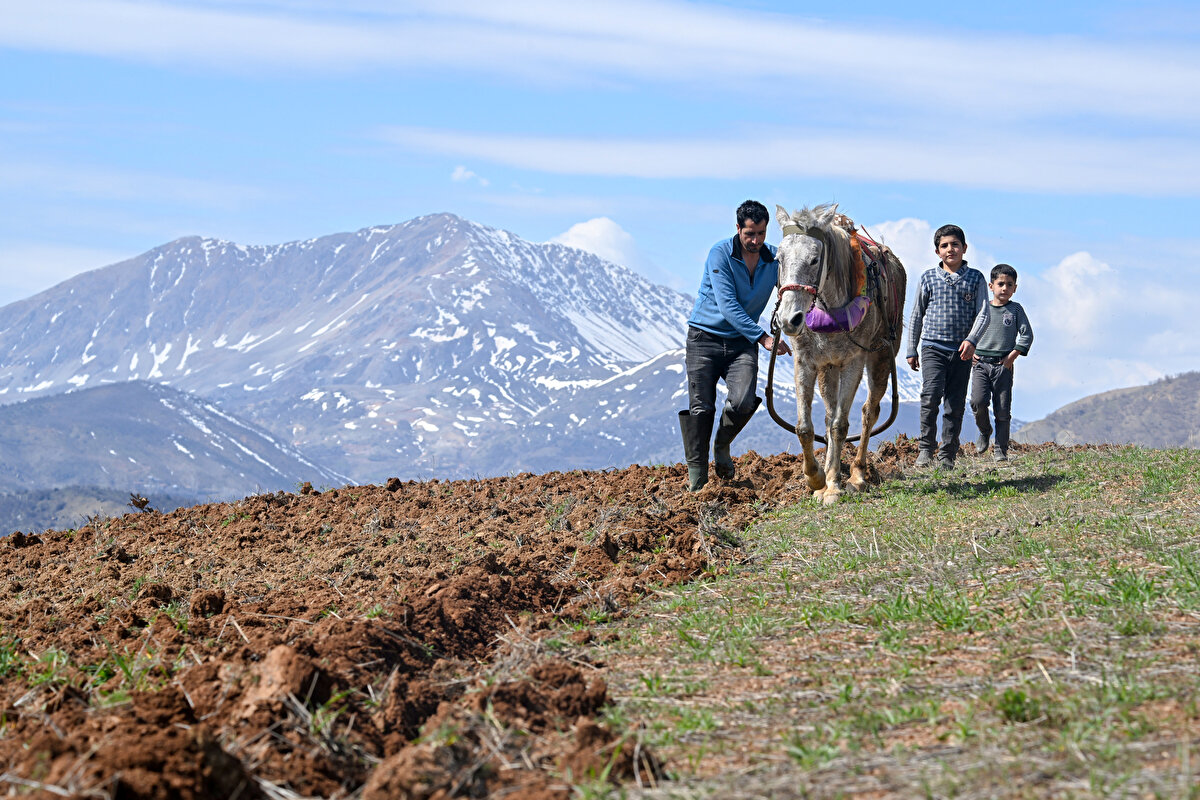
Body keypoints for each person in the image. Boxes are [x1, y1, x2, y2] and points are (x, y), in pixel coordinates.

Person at [679, 200, 791, 491]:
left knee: (742, 401)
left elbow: (792, 289)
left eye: (761, 234)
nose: (755, 241)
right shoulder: (720, 255)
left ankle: (722, 445)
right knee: (701, 408)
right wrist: (764, 337)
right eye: (749, 234)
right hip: (705, 339)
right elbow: (728, 306)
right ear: (738, 229)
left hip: (742, 343)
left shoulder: (775, 260)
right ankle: (698, 480)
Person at [905, 224, 986, 470]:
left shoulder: (976, 278)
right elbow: (917, 314)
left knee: (955, 402)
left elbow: (983, 313)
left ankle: (948, 454)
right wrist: (911, 349)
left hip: (962, 351)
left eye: (955, 244)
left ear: (964, 248)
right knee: (930, 397)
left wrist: (972, 340)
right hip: (932, 347)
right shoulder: (929, 277)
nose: (950, 249)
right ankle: (925, 449)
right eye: (944, 246)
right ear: (937, 251)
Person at [960, 264, 1033, 461]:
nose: (1005, 288)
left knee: (1002, 410)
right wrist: (971, 348)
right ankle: (984, 431)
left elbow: (1027, 335)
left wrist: (1012, 357)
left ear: (1015, 288)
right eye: (1000, 284)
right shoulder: (981, 308)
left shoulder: (1015, 310)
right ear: (991, 286)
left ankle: (1001, 450)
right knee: (977, 401)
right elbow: (966, 330)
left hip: (1003, 366)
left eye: (1009, 285)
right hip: (980, 364)